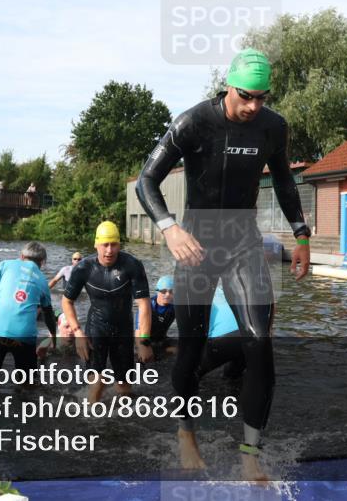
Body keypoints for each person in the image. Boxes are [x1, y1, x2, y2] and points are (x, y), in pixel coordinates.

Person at [135, 48, 311, 480]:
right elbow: (146, 180)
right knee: (191, 346)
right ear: (228, 86)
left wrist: (302, 234)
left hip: (243, 242)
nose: (254, 106)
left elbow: (285, 181)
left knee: (259, 341)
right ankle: (185, 432)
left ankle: (250, 452)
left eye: (262, 98)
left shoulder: (273, 127)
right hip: (195, 242)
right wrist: (169, 229)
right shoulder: (193, 122)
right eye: (247, 96)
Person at [61, 221, 153, 403]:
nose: (109, 250)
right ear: (96, 244)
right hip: (96, 328)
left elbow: (143, 304)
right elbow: (66, 301)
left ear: (120, 244)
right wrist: (78, 332)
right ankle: (91, 419)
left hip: (123, 330)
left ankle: (120, 421)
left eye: (114, 244)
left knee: (124, 387)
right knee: (97, 382)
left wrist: (144, 340)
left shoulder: (132, 265)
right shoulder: (83, 268)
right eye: (105, 245)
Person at [0, 242, 55, 391]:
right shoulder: (43, 280)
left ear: (21, 256)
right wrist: (54, 337)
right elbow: (48, 313)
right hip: (24, 336)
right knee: (28, 386)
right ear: (42, 262)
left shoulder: (5, 265)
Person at [136, 275, 177, 351]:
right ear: (157, 291)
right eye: (163, 291)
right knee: (139, 361)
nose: (167, 295)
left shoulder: (175, 307)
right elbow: (138, 331)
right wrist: (141, 349)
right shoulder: (147, 306)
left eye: (171, 291)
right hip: (145, 341)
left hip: (161, 341)